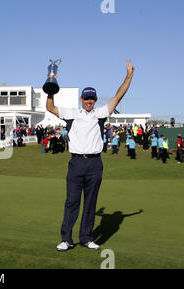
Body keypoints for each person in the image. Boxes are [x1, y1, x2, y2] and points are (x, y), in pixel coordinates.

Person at [46, 60, 135, 251]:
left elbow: (118, 97)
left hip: (95, 163)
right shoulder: (71, 113)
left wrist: (128, 76)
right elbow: (50, 108)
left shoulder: (101, 113)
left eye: (92, 99)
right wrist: (51, 88)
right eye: (86, 98)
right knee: (72, 202)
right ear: (81, 99)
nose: (89, 101)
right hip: (76, 163)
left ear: (95, 100)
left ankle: (86, 238)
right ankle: (66, 239)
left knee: (90, 203)